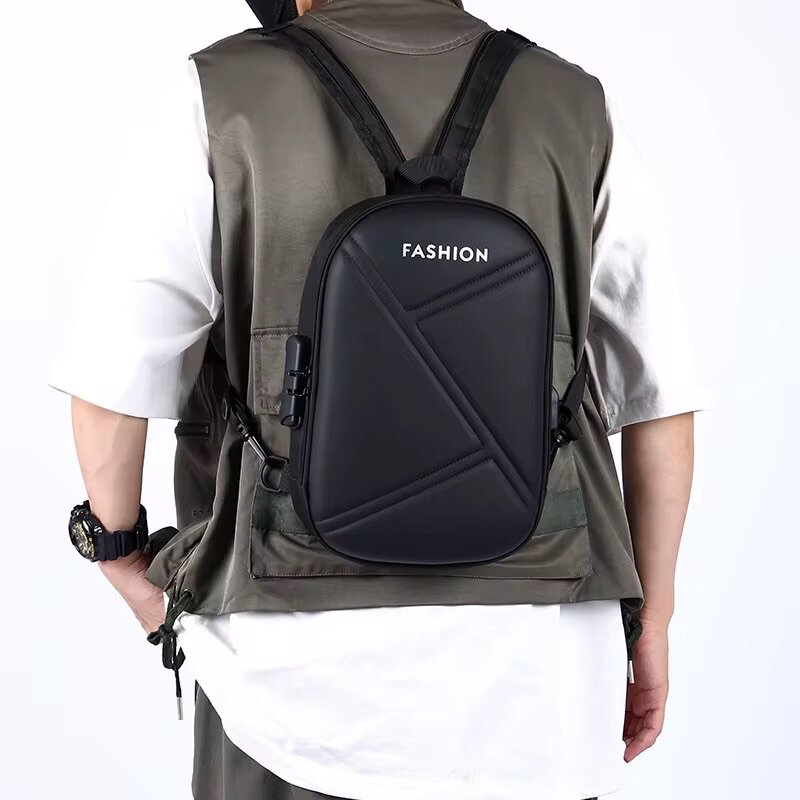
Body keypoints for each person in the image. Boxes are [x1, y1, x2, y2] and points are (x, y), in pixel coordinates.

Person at [49, 1, 702, 798]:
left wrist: (121, 556)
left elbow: (113, 383)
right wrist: (651, 621)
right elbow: (658, 401)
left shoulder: (218, 95)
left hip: (285, 676)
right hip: (543, 681)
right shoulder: (575, 105)